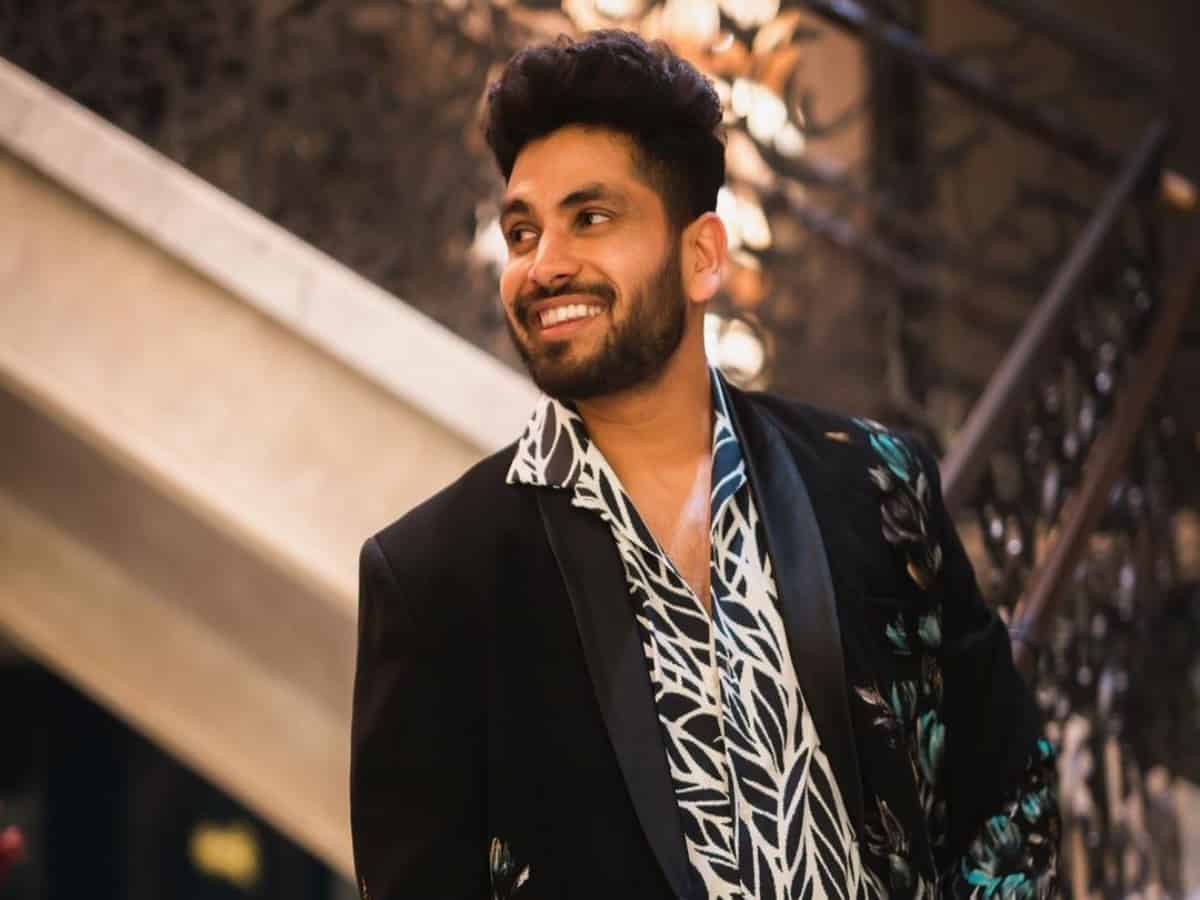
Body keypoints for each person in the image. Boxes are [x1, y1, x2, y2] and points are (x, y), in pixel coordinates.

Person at [350, 29, 1058, 900]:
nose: (543, 264)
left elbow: (1009, 795)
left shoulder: (876, 483)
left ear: (702, 256)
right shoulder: (431, 578)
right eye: (522, 231)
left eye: (590, 218)